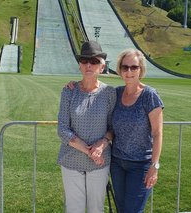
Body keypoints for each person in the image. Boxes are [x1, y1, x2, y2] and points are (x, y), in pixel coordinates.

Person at [57, 40, 116, 213]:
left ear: (102, 67)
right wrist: (90, 151)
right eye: (84, 61)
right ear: (79, 66)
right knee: (74, 208)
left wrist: (102, 144)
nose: (89, 65)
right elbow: (62, 129)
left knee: (96, 209)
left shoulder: (109, 93)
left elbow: (112, 128)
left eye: (94, 61)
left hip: (100, 162)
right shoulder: (69, 91)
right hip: (71, 160)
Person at [110, 48, 164, 213]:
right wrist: (73, 86)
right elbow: (93, 89)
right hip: (117, 163)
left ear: (141, 69)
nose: (129, 71)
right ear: (120, 69)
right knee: (121, 210)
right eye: (125, 67)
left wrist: (154, 166)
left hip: (140, 166)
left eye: (134, 67)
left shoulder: (149, 95)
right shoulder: (117, 93)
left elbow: (157, 133)